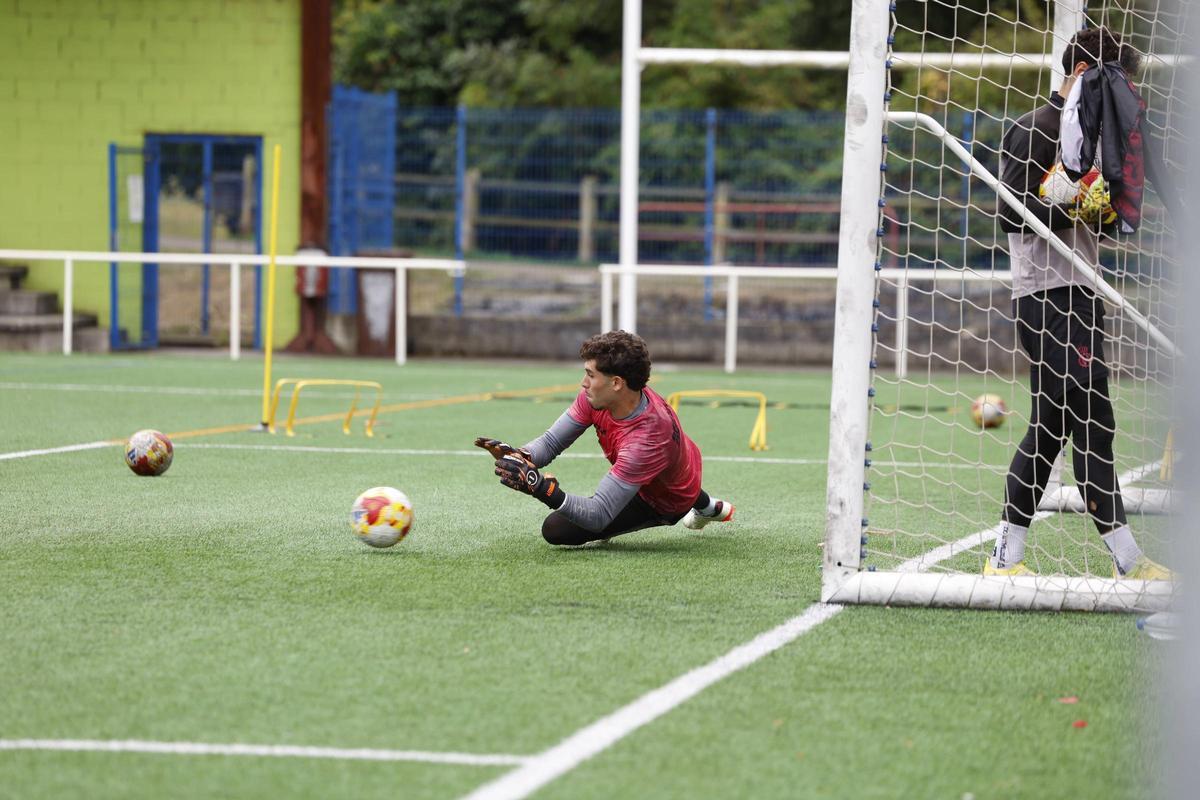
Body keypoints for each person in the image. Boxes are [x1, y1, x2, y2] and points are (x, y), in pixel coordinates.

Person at [988, 26, 1172, 580]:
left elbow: (1091, 223)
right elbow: (1011, 213)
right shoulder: (1036, 127)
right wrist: (1074, 206)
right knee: (1087, 422)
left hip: (1081, 293)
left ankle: (1009, 558)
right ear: (1086, 76)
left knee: (1062, 427)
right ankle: (1122, 561)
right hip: (1047, 296)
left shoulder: (1091, 138)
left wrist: (1105, 214)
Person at [476, 330, 734, 546]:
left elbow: (598, 514)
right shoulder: (608, 395)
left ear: (617, 383)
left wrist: (542, 488)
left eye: (590, 375)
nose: (583, 383)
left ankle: (696, 502)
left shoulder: (647, 441)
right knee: (668, 478)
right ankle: (709, 506)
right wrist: (521, 456)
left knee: (556, 529)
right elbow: (551, 442)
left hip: (662, 500)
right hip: (677, 465)